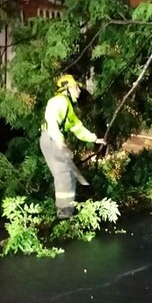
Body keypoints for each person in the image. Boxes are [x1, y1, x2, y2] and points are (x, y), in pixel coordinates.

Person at [40, 74, 105, 219]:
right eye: (76, 87)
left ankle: (66, 212)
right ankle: (64, 215)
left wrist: (95, 139)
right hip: (51, 139)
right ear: (67, 89)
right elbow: (51, 119)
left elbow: (78, 128)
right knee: (64, 175)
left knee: (67, 174)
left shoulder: (67, 106)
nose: (79, 90)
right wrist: (59, 139)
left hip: (51, 139)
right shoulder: (58, 101)